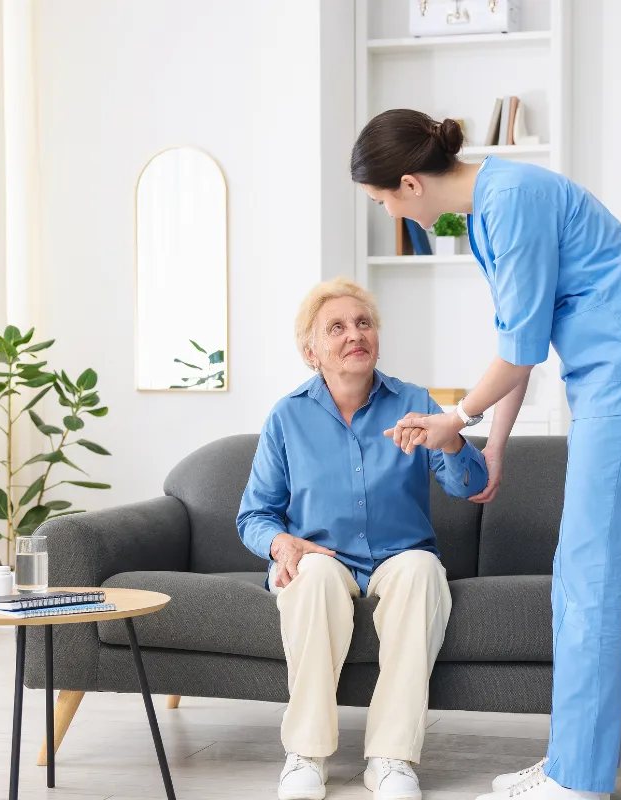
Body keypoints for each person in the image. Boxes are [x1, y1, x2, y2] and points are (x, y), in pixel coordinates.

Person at [350, 110, 621, 800]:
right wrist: (495, 441)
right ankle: (571, 764)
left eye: (384, 201)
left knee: (588, 576)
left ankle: (578, 779)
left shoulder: (509, 204)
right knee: (582, 575)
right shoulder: (491, 208)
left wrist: (455, 417)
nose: (391, 212)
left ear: (409, 184)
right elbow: (522, 338)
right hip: (613, 376)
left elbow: (518, 353)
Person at [237, 277, 489, 800]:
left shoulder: (414, 401)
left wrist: (453, 436)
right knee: (311, 578)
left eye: (363, 323)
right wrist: (281, 544)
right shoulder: (287, 416)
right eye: (337, 327)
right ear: (312, 352)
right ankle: (305, 754)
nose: (355, 334)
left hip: (401, 557)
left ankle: (391, 760)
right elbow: (254, 515)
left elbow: (470, 485)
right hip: (320, 557)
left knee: (421, 571)